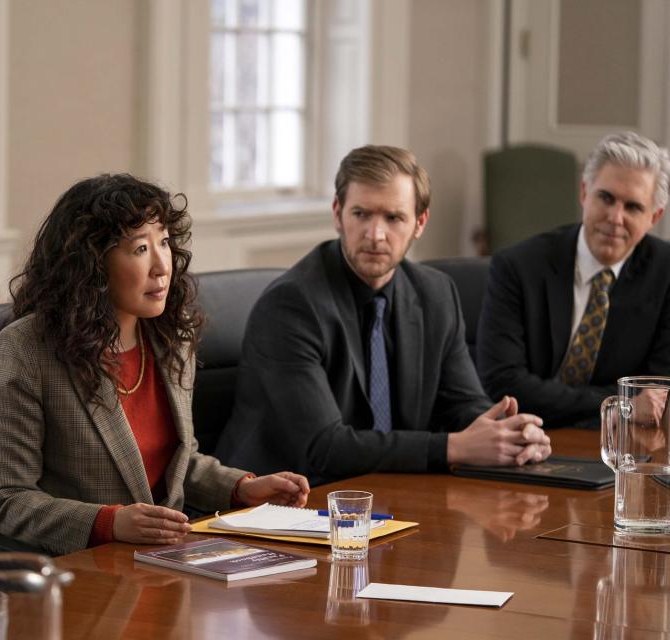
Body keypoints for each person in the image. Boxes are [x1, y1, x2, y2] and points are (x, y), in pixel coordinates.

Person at [0, 173, 310, 556]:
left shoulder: (170, 338)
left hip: (166, 560)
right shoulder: (27, 349)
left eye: (165, 243)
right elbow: (8, 499)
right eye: (139, 249)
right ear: (91, 263)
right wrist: (108, 522)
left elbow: (174, 465)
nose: (161, 266)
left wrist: (241, 488)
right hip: (79, 570)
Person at [215, 145, 552, 486]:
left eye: (393, 218)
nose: (375, 235)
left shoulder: (435, 293)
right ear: (337, 213)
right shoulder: (291, 305)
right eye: (361, 214)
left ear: (420, 223)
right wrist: (453, 447)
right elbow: (324, 448)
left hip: (387, 493)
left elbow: (460, 404)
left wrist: (506, 433)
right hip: (287, 505)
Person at [477, 131, 670, 427]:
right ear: (583, 193)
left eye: (633, 207)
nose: (615, 218)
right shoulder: (518, 266)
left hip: (625, 446)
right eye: (605, 198)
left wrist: (631, 405)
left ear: (654, 217)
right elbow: (503, 381)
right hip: (526, 433)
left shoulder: (666, 274)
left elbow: (658, 391)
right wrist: (622, 406)